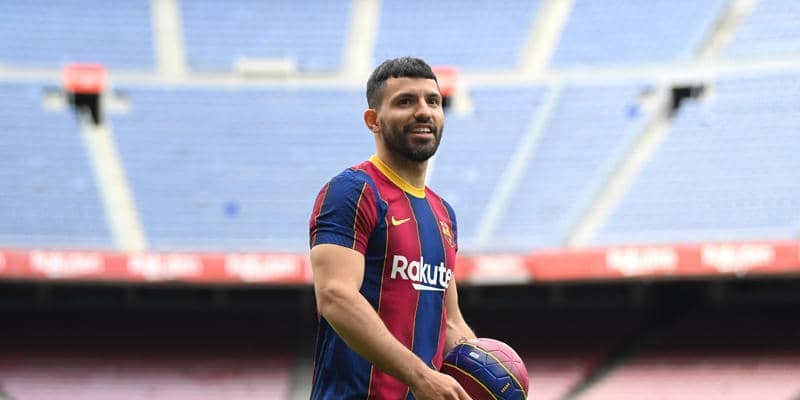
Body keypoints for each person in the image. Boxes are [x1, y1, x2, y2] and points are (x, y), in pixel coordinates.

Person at [308, 57, 476, 400]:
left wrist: (487, 374)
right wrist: (421, 376)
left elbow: (450, 323)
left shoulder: (443, 213)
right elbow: (335, 296)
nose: (424, 111)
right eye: (405, 102)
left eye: (433, 101)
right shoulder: (353, 191)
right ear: (373, 120)